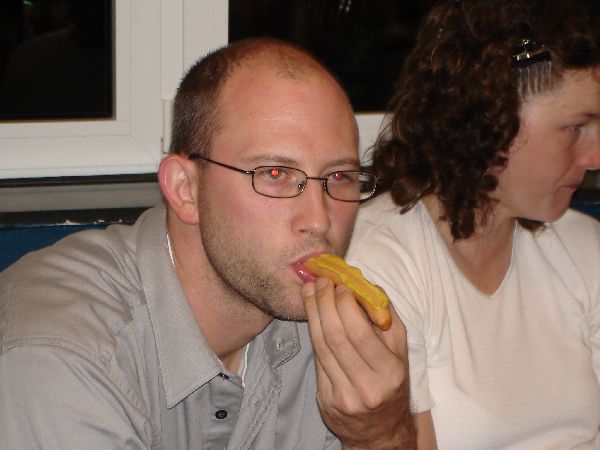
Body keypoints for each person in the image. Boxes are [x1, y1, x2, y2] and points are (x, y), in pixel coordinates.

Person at [0, 38, 415, 449]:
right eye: (274, 174)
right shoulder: (62, 355)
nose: (319, 220)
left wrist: (380, 434)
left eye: (339, 177)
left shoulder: (338, 337)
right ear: (186, 189)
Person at [346, 0, 600, 448]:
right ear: (491, 120)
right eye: (575, 128)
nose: (594, 157)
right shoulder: (383, 261)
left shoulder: (582, 245)